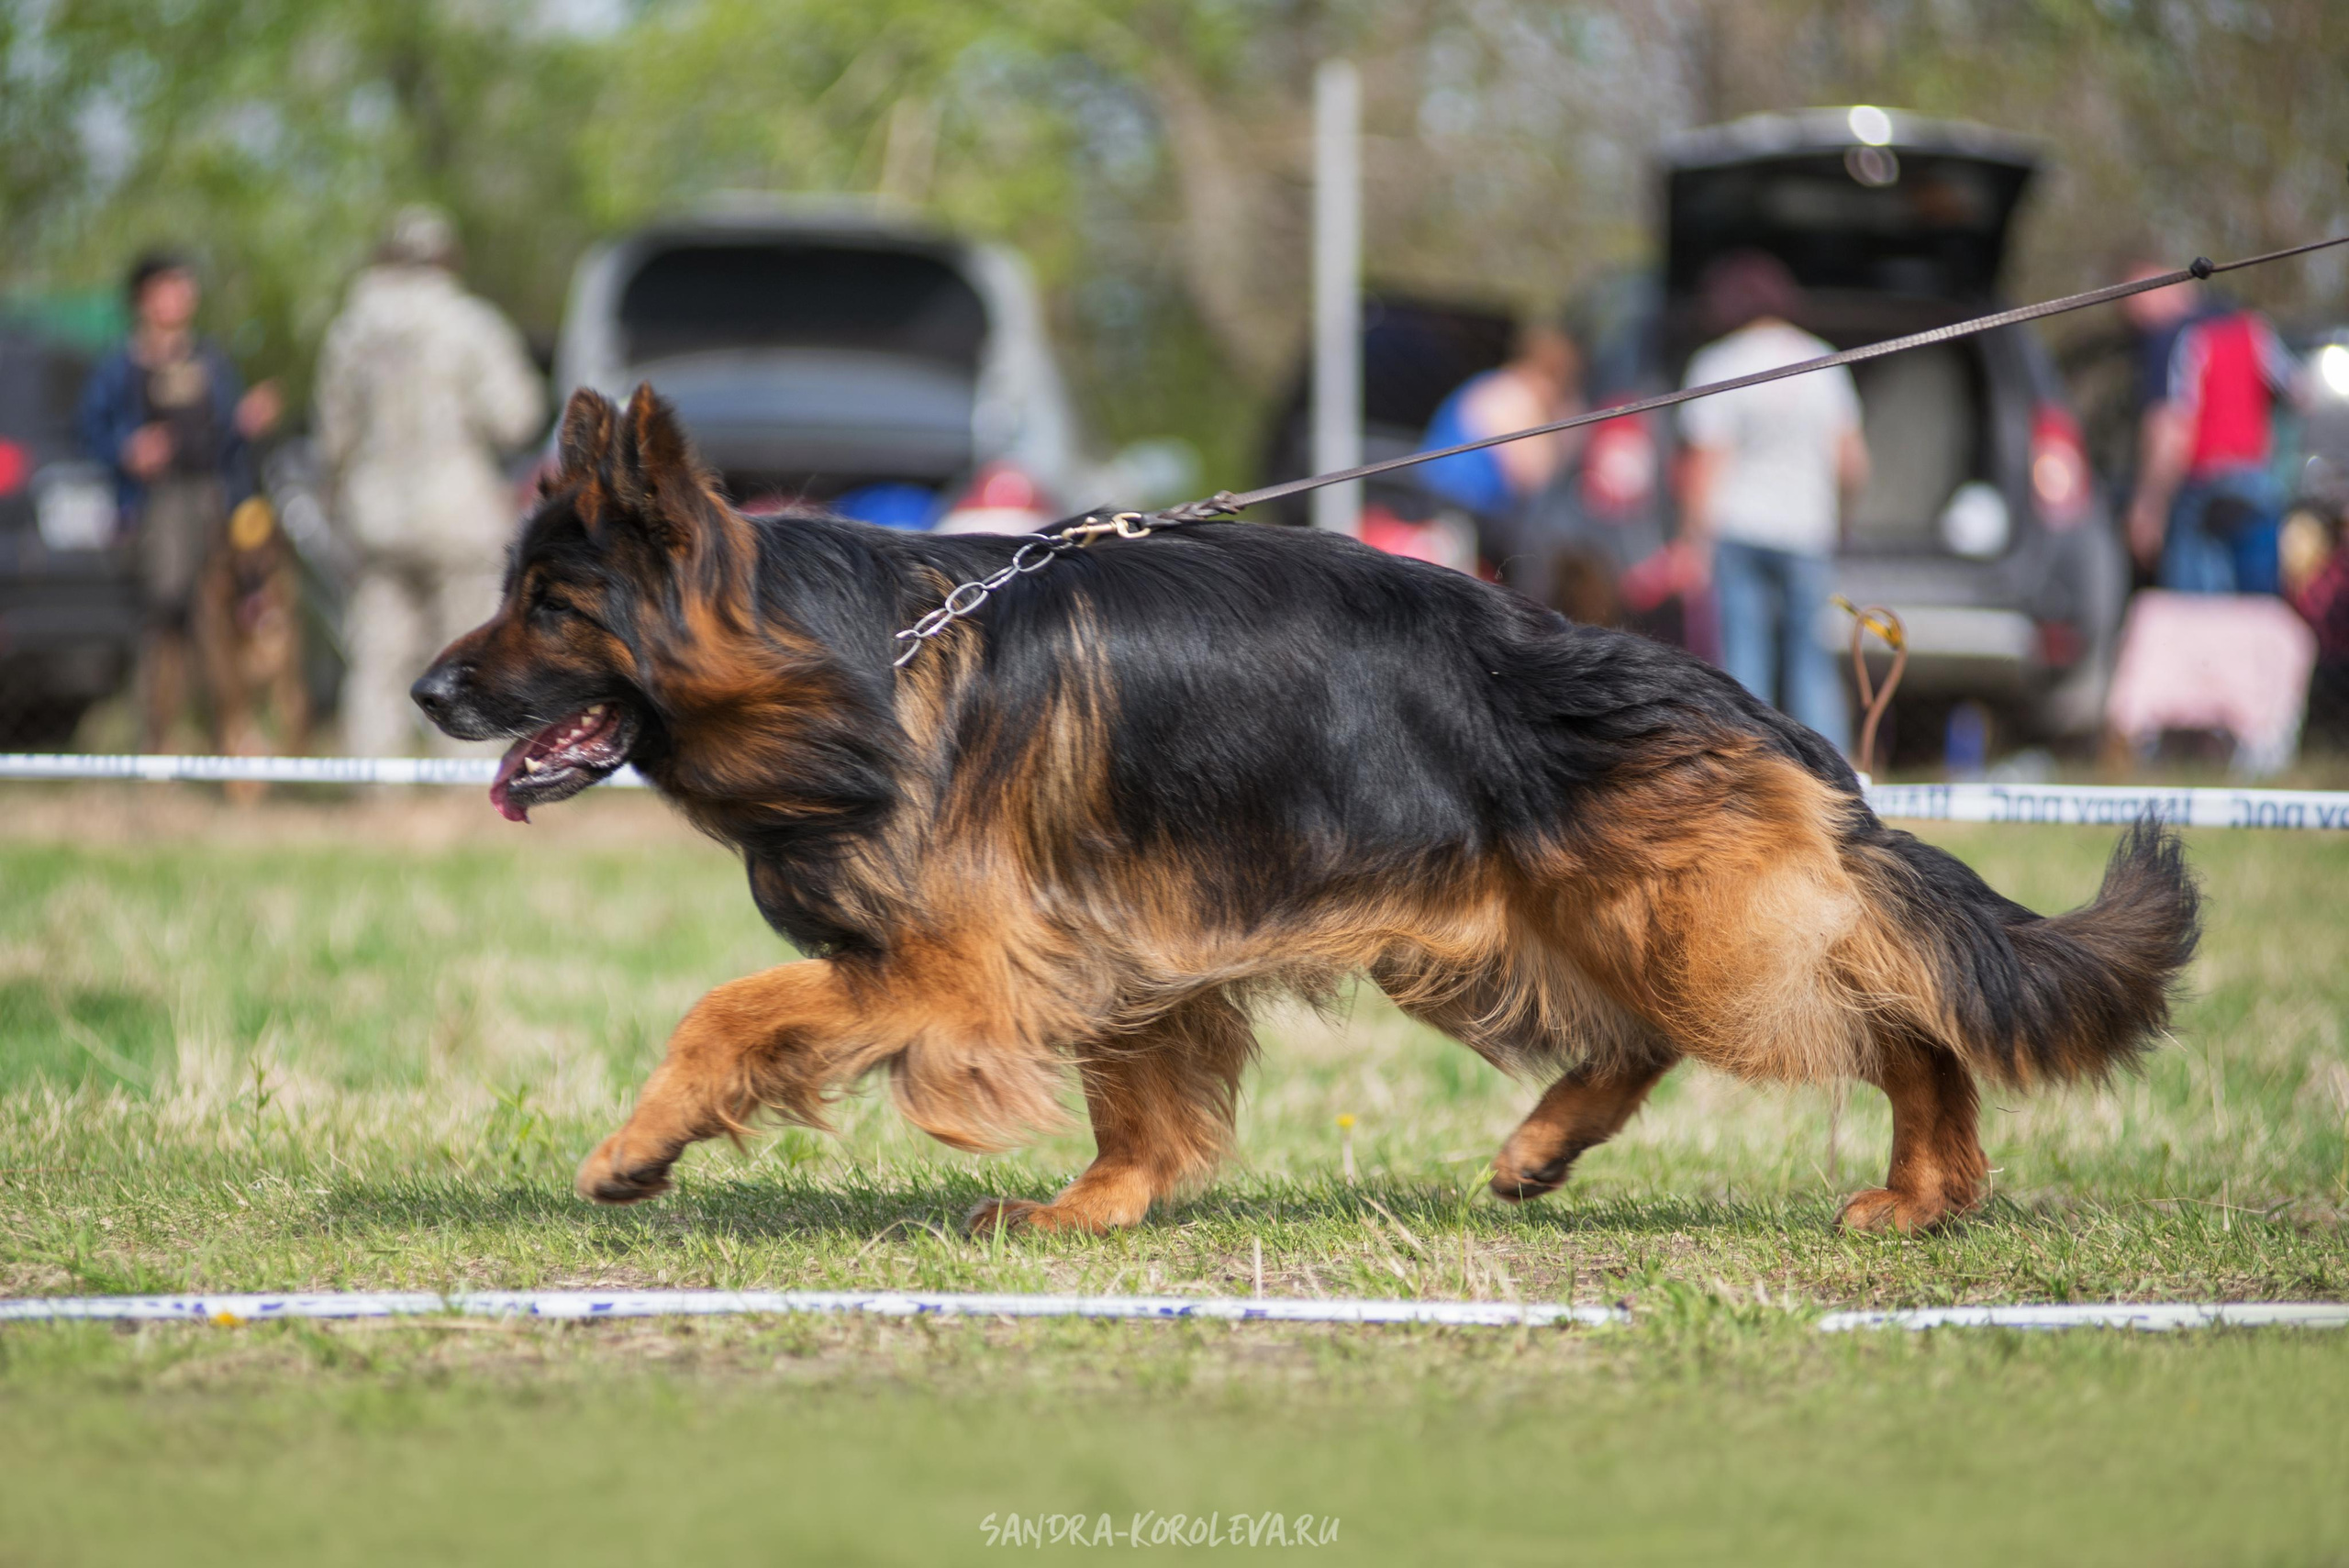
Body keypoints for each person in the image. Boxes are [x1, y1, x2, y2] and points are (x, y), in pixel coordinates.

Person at [316, 206, 545, 756]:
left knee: (376, 656)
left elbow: (331, 437)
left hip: (375, 517)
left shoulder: (352, 329)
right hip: (456, 512)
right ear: (447, 257)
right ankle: (463, 782)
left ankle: (373, 784)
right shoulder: (470, 322)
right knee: (468, 651)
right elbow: (518, 417)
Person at [77, 251, 282, 751]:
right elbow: (89, 430)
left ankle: (227, 745)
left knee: (218, 620)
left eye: (186, 286)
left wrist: (246, 422)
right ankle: (158, 747)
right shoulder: (122, 366)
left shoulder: (209, 360)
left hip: (210, 502)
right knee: (163, 624)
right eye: (172, 287)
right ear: (144, 298)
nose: (183, 296)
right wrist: (127, 450)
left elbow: (224, 439)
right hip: (157, 508)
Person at [1676, 250, 1868, 754]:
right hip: (1806, 529)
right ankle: (1842, 785)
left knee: (1744, 664)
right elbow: (1851, 461)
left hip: (1737, 528)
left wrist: (1692, 541)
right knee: (1812, 661)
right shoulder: (1823, 362)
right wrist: (1842, 518)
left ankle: (1752, 779)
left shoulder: (1718, 362)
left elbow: (1706, 464)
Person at [2126, 272, 2304, 595]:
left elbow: (2172, 425)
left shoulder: (2178, 337)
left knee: (2197, 611)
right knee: (2260, 604)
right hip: (2256, 482)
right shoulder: (2254, 328)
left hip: (2204, 485)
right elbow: (2297, 390)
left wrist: (2149, 506)